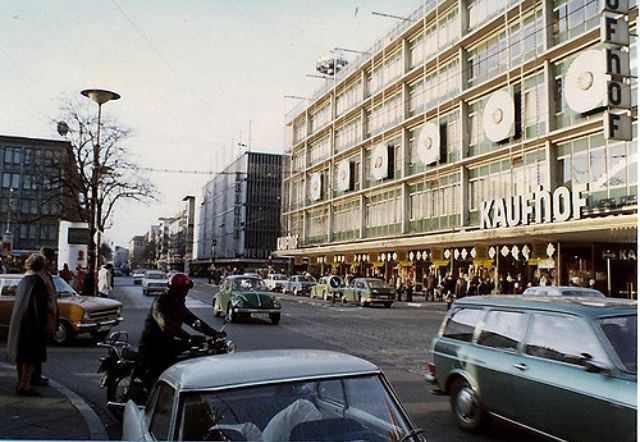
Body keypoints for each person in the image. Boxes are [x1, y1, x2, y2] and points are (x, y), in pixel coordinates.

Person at [136, 273, 220, 387]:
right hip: (153, 343)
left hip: (168, 341)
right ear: (175, 289)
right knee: (160, 376)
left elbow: (192, 319)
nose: (186, 292)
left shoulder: (178, 302)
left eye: (186, 289)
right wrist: (188, 337)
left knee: (191, 354)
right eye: (183, 289)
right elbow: (165, 324)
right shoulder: (161, 301)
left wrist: (213, 333)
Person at [7, 254, 51, 396]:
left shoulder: (24, 280)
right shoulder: (38, 282)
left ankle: (21, 382)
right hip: (31, 323)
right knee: (30, 357)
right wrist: (44, 324)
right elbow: (41, 306)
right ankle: (25, 385)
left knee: (21, 356)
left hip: (19, 321)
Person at [32, 247, 58, 387]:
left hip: (46, 317)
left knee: (40, 348)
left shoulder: (45, 275)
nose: (53, 263)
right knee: (36, 348)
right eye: (51, 261)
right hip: (42, 318)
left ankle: (36, 374)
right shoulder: (39, 276)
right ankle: (34, 376)